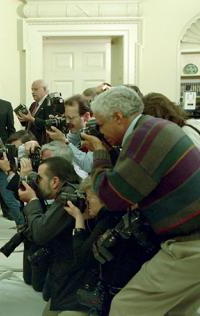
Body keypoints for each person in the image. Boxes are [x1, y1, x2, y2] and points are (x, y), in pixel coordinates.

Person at [82, 86, 200, 315]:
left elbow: (113, 197)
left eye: (101, 124)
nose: (100, 131)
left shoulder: (146, 135)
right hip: (191, 241)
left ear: (118, 117)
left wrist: (99, 153)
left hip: (190, 245)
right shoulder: (155, 128)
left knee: (127, 307)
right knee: (174, 310)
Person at [64, 177, 157, 315]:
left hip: (120, 297)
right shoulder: (119, 216)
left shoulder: (109, 219)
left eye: (88, 198)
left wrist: (79, 219)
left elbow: (82, 258)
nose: (86, 203)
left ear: (103, 197)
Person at [18, 157, 88, 315]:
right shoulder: (69, 190)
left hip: (75, 281)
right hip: (66, 274)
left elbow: (40, 233)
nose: (37, 182)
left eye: (40, 178)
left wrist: (33, 200)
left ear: (55, 181)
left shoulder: (69, 196)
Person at [46, 95, 94, 173]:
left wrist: (64, 141)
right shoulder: (80, 129)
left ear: (86, 116)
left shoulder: (96, 131)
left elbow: (88, 165)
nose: (67, 122)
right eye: (66, 117)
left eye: (71, 118)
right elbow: (72, 142)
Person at [17, 80, 57, 145]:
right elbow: (29, 124)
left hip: (43, 143)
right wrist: (23, 119)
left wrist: (31, 119)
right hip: (30, 141)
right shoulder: (33, 105)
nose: (33, 92)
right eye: (32, 90)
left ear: (45, 90)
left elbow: (49, 125)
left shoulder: (50, 104)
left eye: (36, 89)